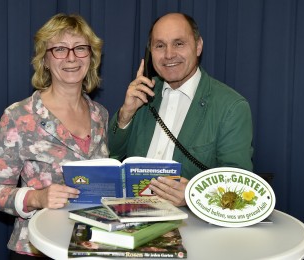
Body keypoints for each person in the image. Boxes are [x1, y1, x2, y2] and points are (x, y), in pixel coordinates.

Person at [0, 13, 109, 259]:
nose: (71, 57)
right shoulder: (19, 116)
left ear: (91, 57)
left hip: (93, 247)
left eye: (80, 48)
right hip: (37, 248)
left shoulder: (99, 115)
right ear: (45, 60)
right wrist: (37, 197)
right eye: (59, 49)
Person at [108, 13, 253, 207]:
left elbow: (238, 187)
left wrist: (194, 195)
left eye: (179, 43)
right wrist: (126, 114)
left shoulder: (231, 107)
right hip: (131, 211)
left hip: (190, 223)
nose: (169, 54)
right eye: (160, 45)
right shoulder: (142, 94)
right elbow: (109, 154)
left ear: (198, 46)